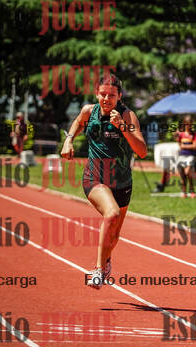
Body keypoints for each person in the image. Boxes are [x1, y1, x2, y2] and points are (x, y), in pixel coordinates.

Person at [60, 74, 147, 289]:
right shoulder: (89, 111)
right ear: (96, 94)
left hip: (122, 182)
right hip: (95, 177)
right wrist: (68, 141)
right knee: (112, 213)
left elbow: (142, 151)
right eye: (103, 94)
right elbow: (78, 123)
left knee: (114, 235)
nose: (107, 99)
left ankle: (106, 261)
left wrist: (122, 127)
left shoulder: (127, 116)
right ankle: (98, 269)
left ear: (119, 96)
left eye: (112, 95)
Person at [176, 115, 196, 198]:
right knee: (182, 176)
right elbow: (179, 144)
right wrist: (176, 135)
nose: (189, 126)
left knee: (187, 172)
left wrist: (184, 146)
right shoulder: (181, 134)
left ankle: (192, 189)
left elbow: (194, 146)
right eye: (187, 124)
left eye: (191, 124)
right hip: (181, 155)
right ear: (184, 124)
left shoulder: (194, 134)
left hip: (190, 156)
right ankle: (184, 191)